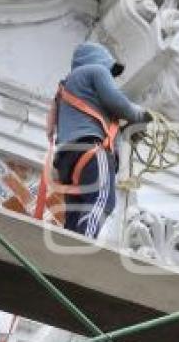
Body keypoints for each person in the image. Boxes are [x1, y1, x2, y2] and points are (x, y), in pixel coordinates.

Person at [37, 42, 150, 237]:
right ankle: (84, 243)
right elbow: (117, 102)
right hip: (91, 150)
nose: (110, 77)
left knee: (76, 211)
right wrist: (140, 116)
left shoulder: (66, 89)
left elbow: (95, 116)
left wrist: (124, 130)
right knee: (102, 198)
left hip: (67, 160)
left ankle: (73, 245)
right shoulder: (96, 70)